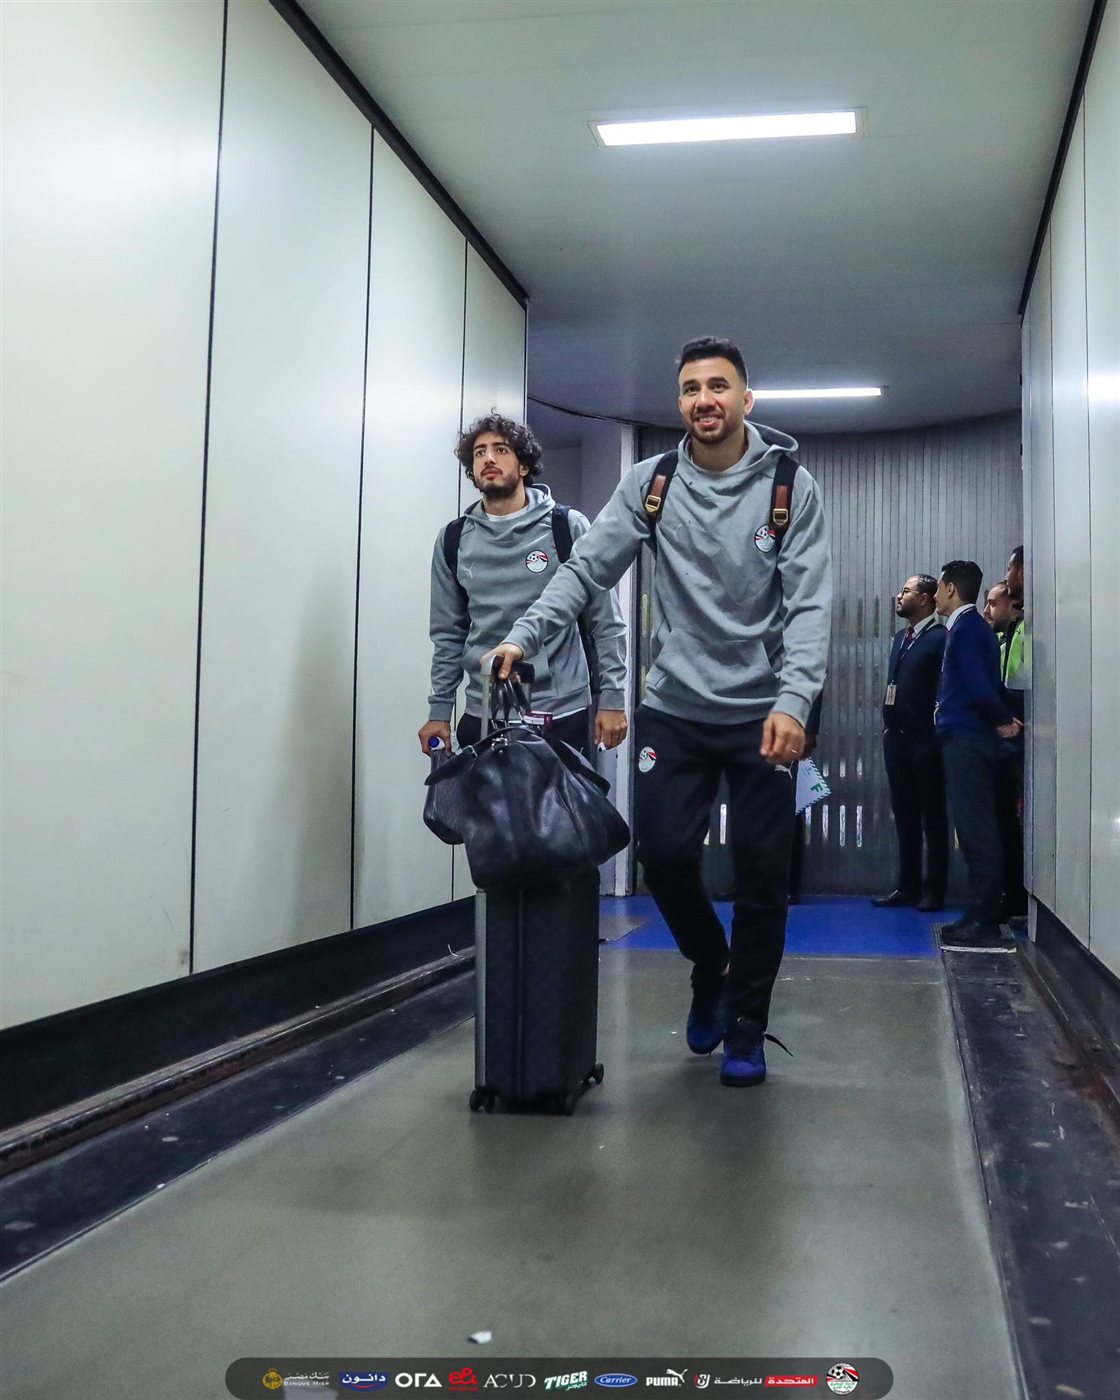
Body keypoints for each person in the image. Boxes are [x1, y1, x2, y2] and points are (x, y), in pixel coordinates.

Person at [484, 337, 831, 1087]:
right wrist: (523, 635)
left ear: (746, 399)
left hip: (765, 711)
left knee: (762, 875)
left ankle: (746, 1026)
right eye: (691, 388)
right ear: (680, 402)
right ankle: (711, 962)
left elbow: (810, 604)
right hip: (675, 705)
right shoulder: (653, 484)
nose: (705, 399)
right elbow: (586, 570)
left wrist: (796, 700)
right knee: (665, 855)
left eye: (719, 386)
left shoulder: (789, 487)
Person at [418, 414, 628, 759]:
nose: (488, 458)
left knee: (563, 798)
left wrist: (613, 699)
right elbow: (448, 635)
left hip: (560, 711)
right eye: (479, 453)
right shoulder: (454, 540)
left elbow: (606, 621)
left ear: (524, 465)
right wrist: (439, 711)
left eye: (501, 449)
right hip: (484, 711)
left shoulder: (566, 526)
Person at [934, 561, 1022, 947]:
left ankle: (984, 919)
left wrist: (1001, 721)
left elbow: (977, 686)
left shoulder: (967, 629)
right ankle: (978, 912)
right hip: (967, 737)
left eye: (939, 588)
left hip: (968, 739)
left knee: (976, 830)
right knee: (974, 829)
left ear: (951, 589)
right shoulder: (971, 628)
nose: (937, 595)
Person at [872, 574, 948, 912]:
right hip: (897, 740)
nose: (899, 596)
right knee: (904, 816)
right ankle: (908, 886)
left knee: (932, 817)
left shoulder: (941, 638)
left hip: (926, 742)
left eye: (906, 591)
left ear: (926, 598)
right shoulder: (901, 638)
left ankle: (934, 891)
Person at [987, 577, 1028, 921]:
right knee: (1004, 823)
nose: (987, 611)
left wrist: (1008, 717)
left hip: (1019, 742)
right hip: (1004, 742)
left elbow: (1024, 687)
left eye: (993, 604)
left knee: (1012, 824)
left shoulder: (1025, 633)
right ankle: (1008, 895)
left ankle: (1016, 897)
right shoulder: (1003, 639)